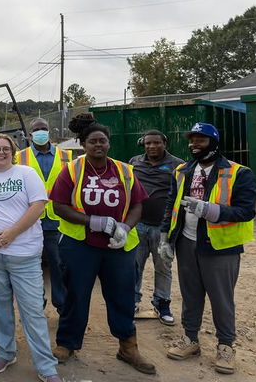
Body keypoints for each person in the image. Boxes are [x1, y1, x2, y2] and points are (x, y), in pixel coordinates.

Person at [49, 117, 155, 375]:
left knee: (122, 296)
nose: (98, 145)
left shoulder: (124, 171)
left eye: (102, 140)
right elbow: (59, 205)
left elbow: (138, 204)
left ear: (108, 143)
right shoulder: (72, 170)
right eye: (92, 141)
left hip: (117, 248)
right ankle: (67, 344)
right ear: (83, 144)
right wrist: (91, 221)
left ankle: (128, 346)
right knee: (76, 294)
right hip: (80, 245)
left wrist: (126, 228)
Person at [161, 123, 256, 375]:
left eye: (200, 140)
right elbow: (172, 203)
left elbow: (247, 210)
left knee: (221, 300)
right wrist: (165, 237)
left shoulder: (239, 173)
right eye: (191, 140)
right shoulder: (182, 170)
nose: (194, 144)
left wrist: (212, 211)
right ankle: (190, 340)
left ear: (213, 142)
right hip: (186, 243)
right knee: (190, 295)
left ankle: (226, 346)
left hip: (220, 247)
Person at [0, 133, 61, 381]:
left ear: (13, 152)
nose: (1, 152)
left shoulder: (26, 174)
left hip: (24, 254)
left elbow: (38, 206)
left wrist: (12, 233)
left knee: (32, 310)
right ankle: (6, 351)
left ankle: (46, 366)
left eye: (6, 148)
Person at [15, 117, 71, 315]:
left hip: (58, 222)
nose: (40, 132)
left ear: (49, 132)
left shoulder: (66, 157)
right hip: (30, 223)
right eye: (37, 129)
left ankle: (62, 305)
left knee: (59, 266)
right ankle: (37, 305)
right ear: (30, 135)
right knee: (31, 269)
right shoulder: (19, 157)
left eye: (44, 128)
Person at [129, 129, 183, 325]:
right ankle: (133, 301)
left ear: (164, 143)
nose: (152, 146)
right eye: (148, 143)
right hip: (138, 225)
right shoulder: (134, 162)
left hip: (163, 228)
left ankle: (162, 304)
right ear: (143, 144)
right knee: (135, 266)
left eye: (156, 143)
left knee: (163, 267)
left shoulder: (177, 165)